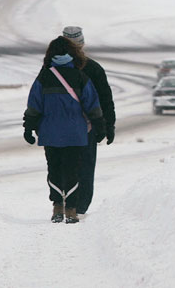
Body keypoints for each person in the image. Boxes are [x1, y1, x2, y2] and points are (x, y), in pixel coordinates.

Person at [23, 36, 106, 224]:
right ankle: (71, 210)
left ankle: (57, 208)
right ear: (72, 54)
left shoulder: (44, 77)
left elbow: (34, 105)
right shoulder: (80, 76)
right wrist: (100, 127)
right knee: (73, 170)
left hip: (50, 133)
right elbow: (93, 105)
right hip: (75, 134)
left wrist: (29, 128)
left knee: (54, 169)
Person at [62, 26, 116, 216]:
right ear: (82, 44)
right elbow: (105, 99)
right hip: (87, 128)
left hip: (58, 128)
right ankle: (80, 206)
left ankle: (62, 204)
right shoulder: (93, 68)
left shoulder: (50, 69)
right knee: (85, 166)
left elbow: (39, 99)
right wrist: (108, 126)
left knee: (60, 165)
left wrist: (34, 124)